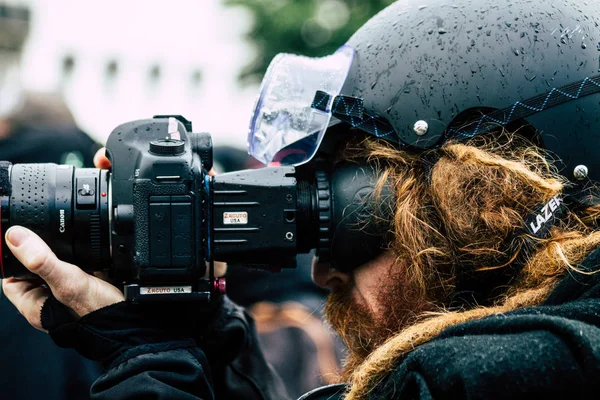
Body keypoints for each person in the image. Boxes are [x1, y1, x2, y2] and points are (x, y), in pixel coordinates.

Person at [4, 0, 600, 399]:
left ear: (489, 208)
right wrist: (210, 340)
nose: (320, 266)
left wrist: (149, 366)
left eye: (354, 216)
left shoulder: (498, 375)